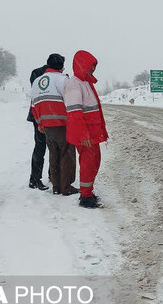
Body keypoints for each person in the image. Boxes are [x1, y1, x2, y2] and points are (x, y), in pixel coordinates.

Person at [64, 50, 108, 209]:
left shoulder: (86, 82)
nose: (93, 69)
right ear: (81, 65)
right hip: (86, 134)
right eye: (91, 66)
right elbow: (75, 112)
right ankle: (86, 196)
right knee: (88, 163)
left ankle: (87, 191)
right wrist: (83, 134)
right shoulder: (74, 84)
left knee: (94, 162)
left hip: (92, 133)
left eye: (94, 66)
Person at [30, 54, 79, 196]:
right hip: (63, 123)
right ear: (61, 66)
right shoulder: (62, 80)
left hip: (46, 126)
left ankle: (56, 186)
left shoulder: (37, 81)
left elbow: (34, 105)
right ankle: (66, 186)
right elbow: (71, 100)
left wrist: (40, 122)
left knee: (54, 154)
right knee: (66, 154)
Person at [27, 63, 48, 190]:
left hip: (37, 115)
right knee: (52, 147)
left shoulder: (36, 73)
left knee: (40, 147)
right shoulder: (52, 77)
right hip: (46, 115)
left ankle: (34, 179)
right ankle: (40, 178)